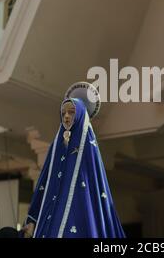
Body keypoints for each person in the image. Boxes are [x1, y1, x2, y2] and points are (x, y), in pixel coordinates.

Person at [22, 91, 125, 238]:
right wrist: (33, 217)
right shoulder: (56, 146)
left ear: (80, 115)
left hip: (80, 212)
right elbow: (45, 181)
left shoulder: (88, 145)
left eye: (71, 112)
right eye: (63, 113)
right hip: (53, 213)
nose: (66, 116)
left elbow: (94, 185)